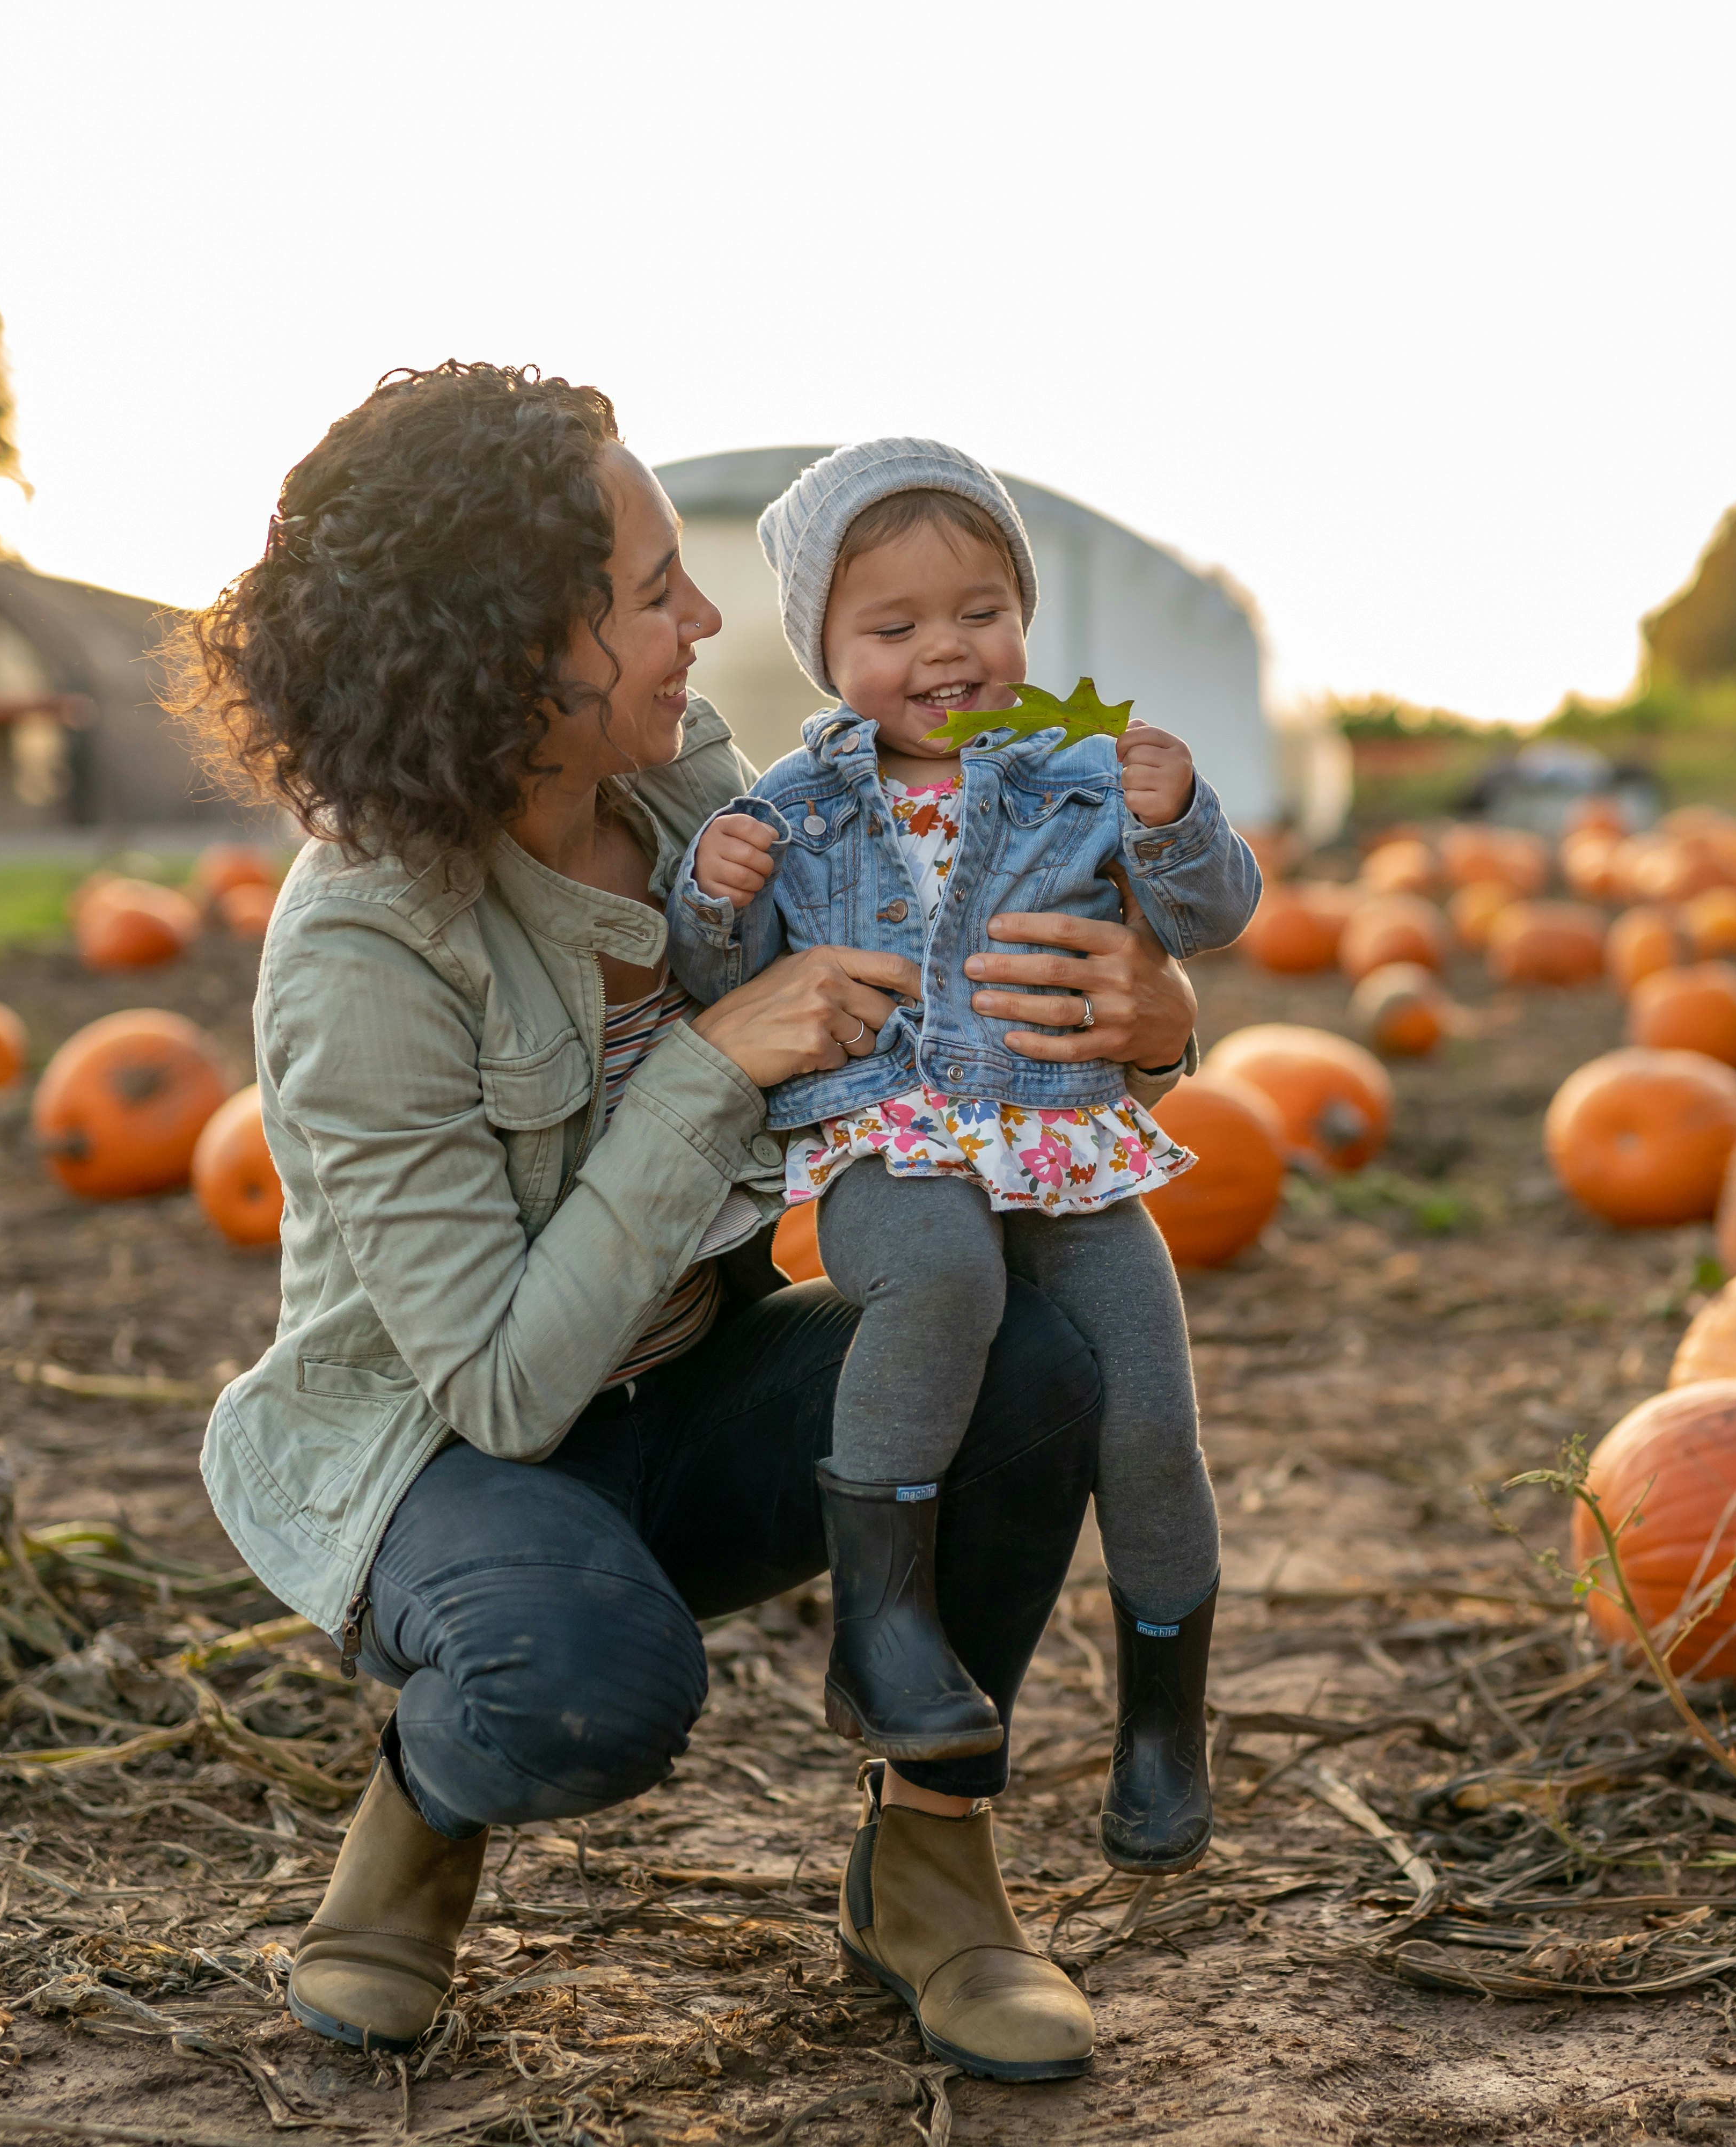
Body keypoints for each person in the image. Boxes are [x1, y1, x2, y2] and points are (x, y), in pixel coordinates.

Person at [166, 364, 1205, 2084]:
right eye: (656, 596)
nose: (706, 621)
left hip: (688, 1387)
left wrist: (1152, 1024)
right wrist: (713, 1059)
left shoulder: (685, 782)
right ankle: (422, 1812)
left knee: (1044, 1355)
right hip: (451, 1459)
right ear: (516, 654)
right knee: (582, 1692)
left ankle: (935, 1874)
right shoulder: (364, 950)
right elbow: (500, 1387)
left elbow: (958, 971)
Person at [665, 440, 1256, 1879]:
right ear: (827, 652)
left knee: (1151, 1420)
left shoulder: (1077, 774)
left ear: (1025, 619)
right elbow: (710, 981)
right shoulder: (791, 810)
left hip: (1067, 1138)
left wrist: (1179, 820)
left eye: (980, 611)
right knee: (935, 1287)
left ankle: (1166, 1725)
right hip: (896, 1146)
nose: (947, 651)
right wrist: (712, 893)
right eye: (895, 627)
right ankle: (884, 1629)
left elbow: (1209, 916)